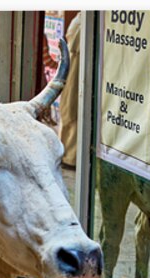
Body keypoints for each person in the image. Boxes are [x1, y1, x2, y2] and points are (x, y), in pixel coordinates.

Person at [59, 13, 81, 167]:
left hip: (78, 66)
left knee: (71, 110)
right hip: (75, 65)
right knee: (70, 110)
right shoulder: (81, 19)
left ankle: (70, 155)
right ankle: (69, 155)